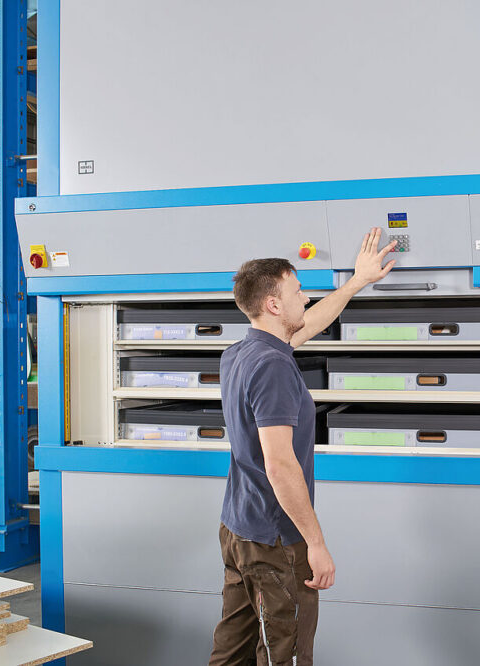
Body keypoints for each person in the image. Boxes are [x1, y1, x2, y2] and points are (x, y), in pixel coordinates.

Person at [209, 228, 397, 666]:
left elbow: (308, 324)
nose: (306, 298)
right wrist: (315, 543)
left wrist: (356, 281)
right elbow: (279, 465)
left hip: (239, 530)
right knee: (285, 655)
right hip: (276, 541)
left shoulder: (241, 352)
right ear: (274, 305)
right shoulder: (273, 366)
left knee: (231, 652)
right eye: (297, 291)